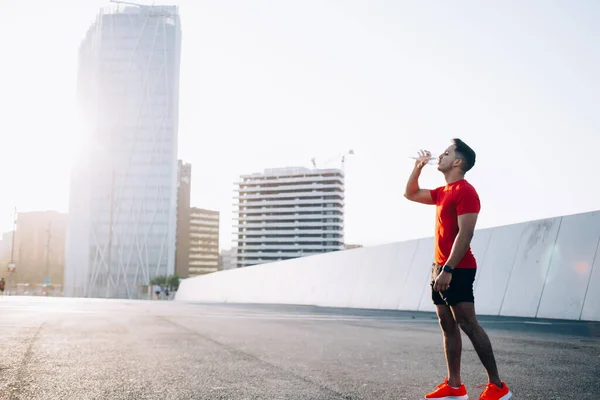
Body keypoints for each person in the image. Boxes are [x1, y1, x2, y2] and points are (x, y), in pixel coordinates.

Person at [404, 139, 512, 400]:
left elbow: (466, 234)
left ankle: (498, 387)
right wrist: (418, 167)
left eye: (446, 153)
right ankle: (455, 386)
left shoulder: (466, 191)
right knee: (447, 325)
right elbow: (410, 193)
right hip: (439, 267)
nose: (439, 156)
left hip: (458, 268)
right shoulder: (443, 192)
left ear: (457, 162)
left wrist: (449, 269)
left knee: (468, 323)